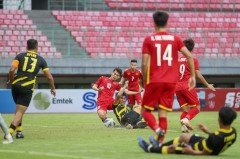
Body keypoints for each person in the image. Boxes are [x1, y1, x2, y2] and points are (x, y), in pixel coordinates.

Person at [141, 11, 196, 146]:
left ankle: (157, 129)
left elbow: (144, 63)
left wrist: (144, 81)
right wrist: (193, 76)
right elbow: (189, 56)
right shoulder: (175, 39)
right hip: (171, 82)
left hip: (155, 80)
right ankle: (159, 142)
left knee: (145, 111)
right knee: (163, 112)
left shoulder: (149, 39)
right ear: (167, 22)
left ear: (153, 23)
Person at [138, 106, 237, 156]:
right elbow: (220, 138)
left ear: (220, 119)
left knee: (173, 148)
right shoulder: (233, 132)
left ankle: (150, 148)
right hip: (207, 142)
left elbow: (205, 153)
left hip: (200, 148)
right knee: (184, 137)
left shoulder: (214, 138)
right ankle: (159, 145)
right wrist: (207, 131)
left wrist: (192, 151)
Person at [8, 39, 56, 138]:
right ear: (37, 48)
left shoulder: (20, 56)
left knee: (18, 110)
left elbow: (12, 69)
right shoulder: (41, 59)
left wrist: (11, 80)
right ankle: (9, 133)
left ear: (27, 47)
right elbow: (49, 77)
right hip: (27, 87)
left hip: (15, 85)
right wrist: (53, 88)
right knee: (20, 112)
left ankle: (19, 132)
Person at [176, 38, 216, 132]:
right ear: (193, 49)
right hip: (187, 86)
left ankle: (183, 127)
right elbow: (198, 75)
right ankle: (186, 120)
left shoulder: (177, 60)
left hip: (177, 87)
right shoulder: (193, 60)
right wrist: (207, 84)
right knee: (197, 108)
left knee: (186, 110)